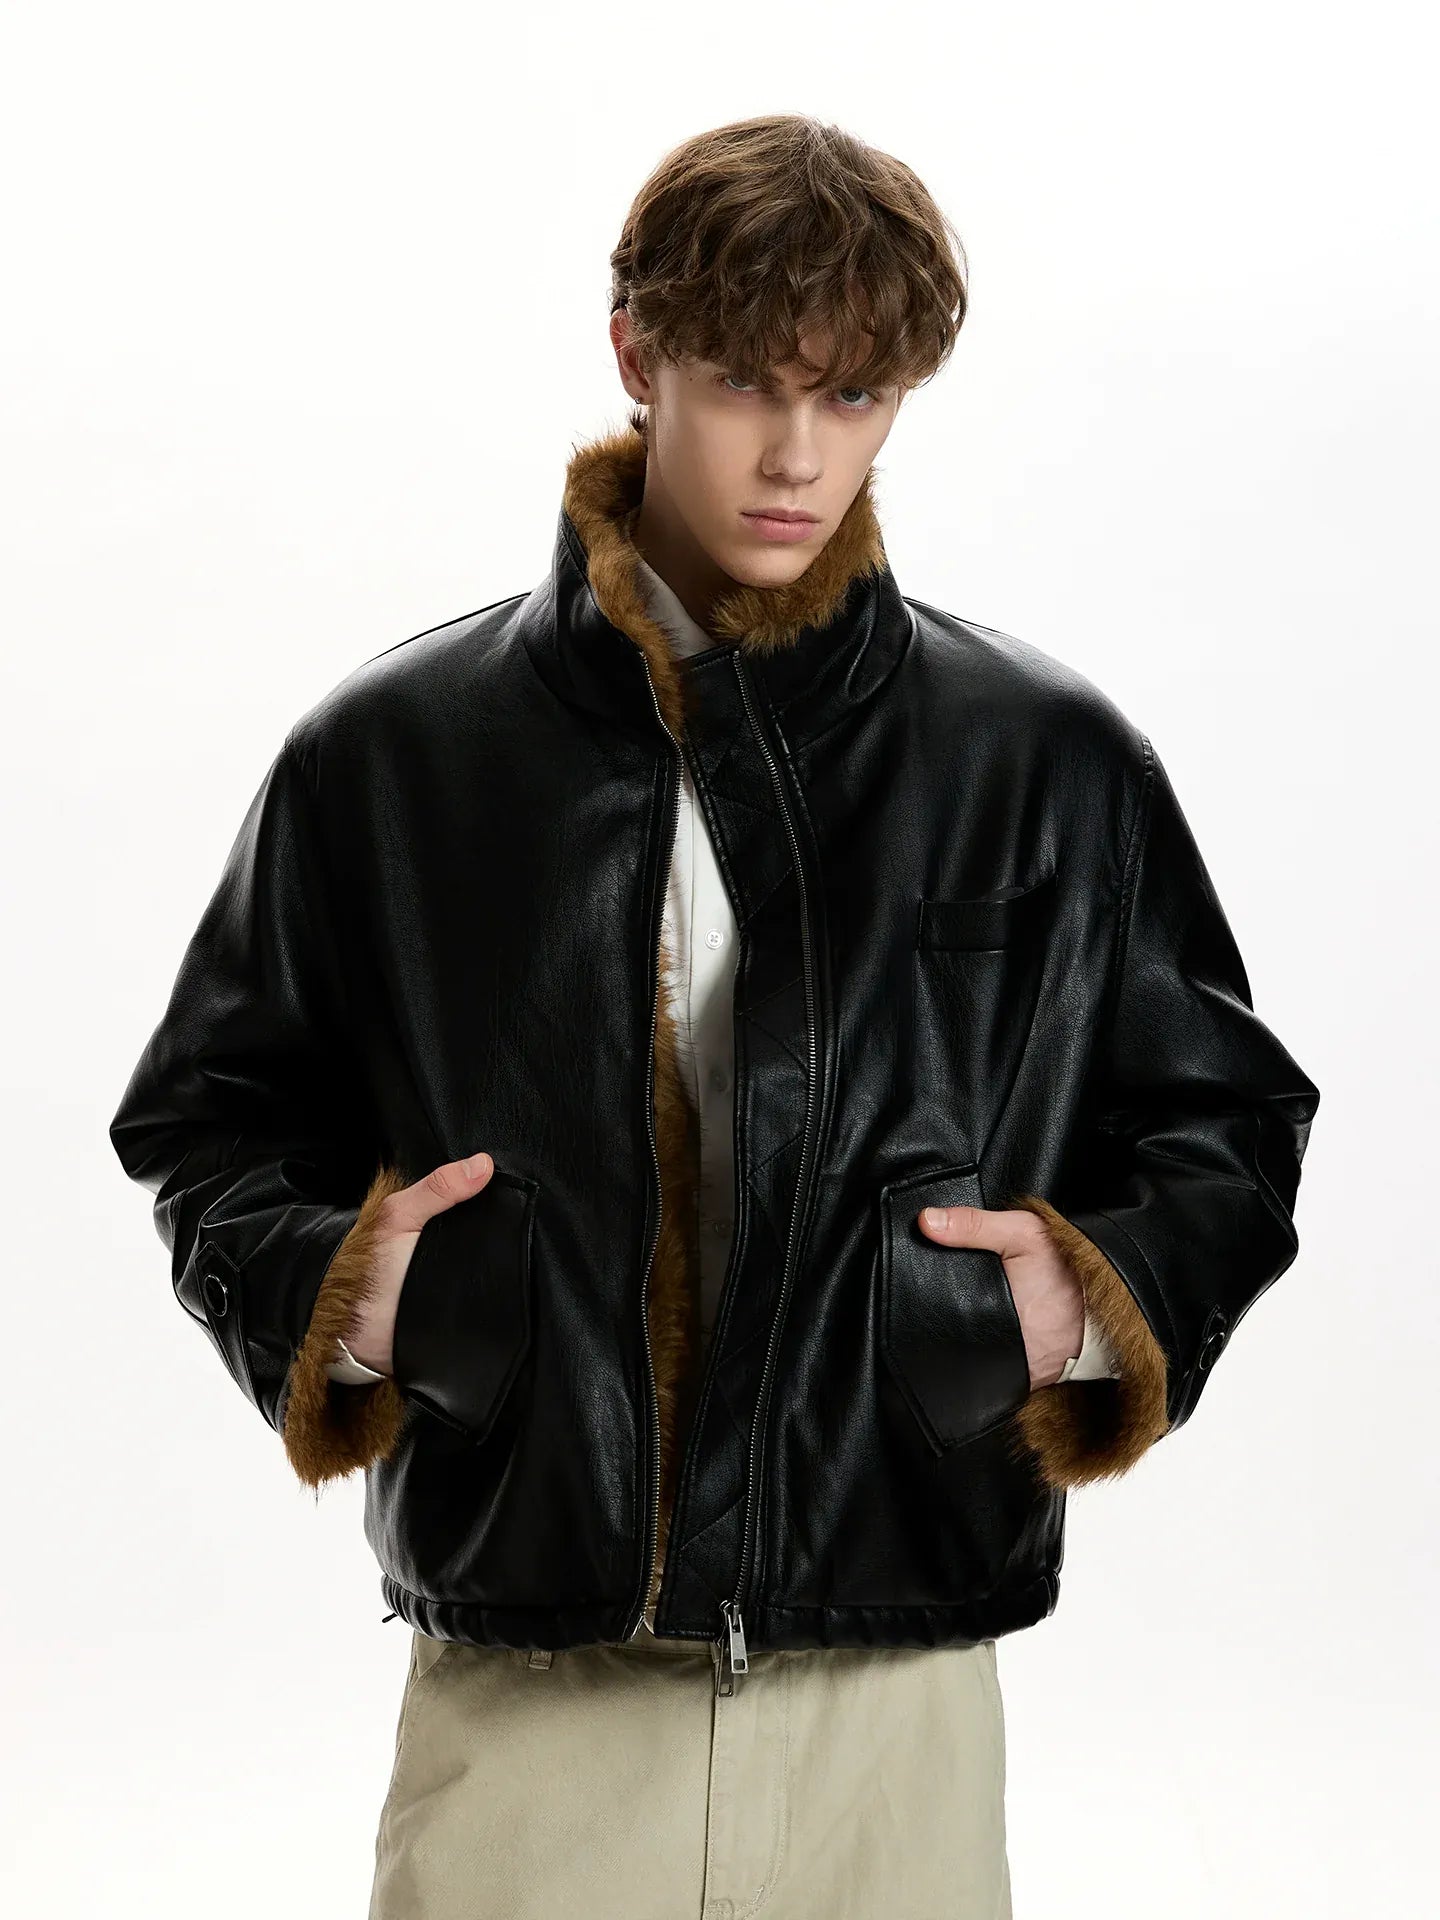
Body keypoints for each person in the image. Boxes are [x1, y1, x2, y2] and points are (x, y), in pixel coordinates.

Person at [109, 113, 1320, 1919]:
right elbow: (206, 1122)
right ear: (637, 353)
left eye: (855, 396)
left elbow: (1228, 1126)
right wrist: (360, 1300)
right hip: (528, 1693)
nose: (796, 452)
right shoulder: (396, 757)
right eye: (749, 381)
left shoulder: (1041, 760)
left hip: (892, 1690)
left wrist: (1078, 1304)